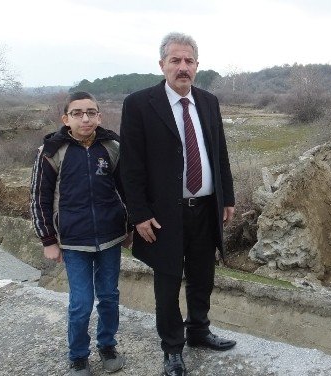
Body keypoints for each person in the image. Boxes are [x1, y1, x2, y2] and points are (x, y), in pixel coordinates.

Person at [119, 32, 236, 376]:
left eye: (189, 61)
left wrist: (226, 196)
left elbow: (219, 153)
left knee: (203, 276)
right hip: (163, 215)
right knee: (167, 282)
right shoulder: (140, 104)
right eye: (176, 60)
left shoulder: (209, 101)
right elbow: (131, 165)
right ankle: (172, 348)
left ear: (197, 66)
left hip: (205, 209)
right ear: (162, 65)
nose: (183, 67)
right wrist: (138, 213)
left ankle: (199, 331)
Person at [30, 91, 129, 376]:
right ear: (66, 118)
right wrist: (48, 239)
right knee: (81, 302)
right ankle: (78, 356)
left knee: (109, 296)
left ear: (99, 116)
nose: (85, 118)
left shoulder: (112, 146)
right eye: (77, 113)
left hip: (110, 237)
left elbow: (128, 191)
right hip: (73, 242)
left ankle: (107, 346)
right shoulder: (51, 152)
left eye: (90, 112)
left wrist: (131, 226)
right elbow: (39, 198)